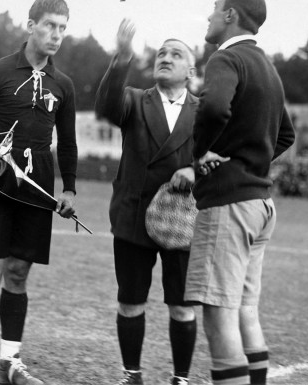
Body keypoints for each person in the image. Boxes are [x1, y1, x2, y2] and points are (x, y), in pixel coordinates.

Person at [95, 19, 227, 385]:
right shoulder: (135, 100)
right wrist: (121, 58)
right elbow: (105, 104)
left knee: (182, 307)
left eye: (176, 54)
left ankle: (180, 378)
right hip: (134, 217)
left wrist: (195, 170)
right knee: (130, 301)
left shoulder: (205, 112)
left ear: (191, 70)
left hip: (183, 221)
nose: (165, 58)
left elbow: (223, 154)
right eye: (161, 53)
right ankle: (131, 375)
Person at [0, 0, 77, 385]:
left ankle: (10, 362)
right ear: (30, 26)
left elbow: (69, 143)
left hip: (37, 186)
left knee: (19, 272)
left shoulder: (64, 84)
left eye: (62, 27)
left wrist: (70, 188)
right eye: (49, 26)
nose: (56, 34)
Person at [183, 0, 296, 385]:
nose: (210, 14)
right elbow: (286, 136)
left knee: (218, 314)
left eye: (215, 7)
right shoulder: (267, 66)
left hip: (230, 204)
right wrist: (251, 161)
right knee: (245, 311)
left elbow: (213, 107)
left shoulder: (225, 57)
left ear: (230, 15)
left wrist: (201, 155)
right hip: (261, 206)